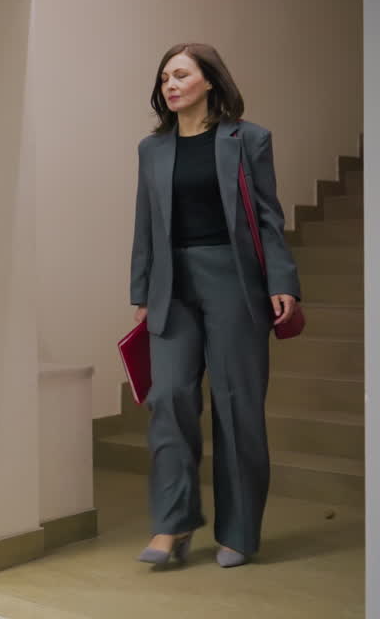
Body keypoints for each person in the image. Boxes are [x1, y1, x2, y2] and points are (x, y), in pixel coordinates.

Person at [129, 43, 301, 568]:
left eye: (181, 74)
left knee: (237, 404)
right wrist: (140, 291)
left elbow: (268, 216)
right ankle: (172, 526)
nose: (170, 85)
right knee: (169, 398)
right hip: (171, 285)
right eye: (164, 79)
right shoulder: (152, 149)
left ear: (209, 81)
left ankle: (240, 531)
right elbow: (145, 224)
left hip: (234, 281)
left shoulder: (248, 139)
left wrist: (282, 279)